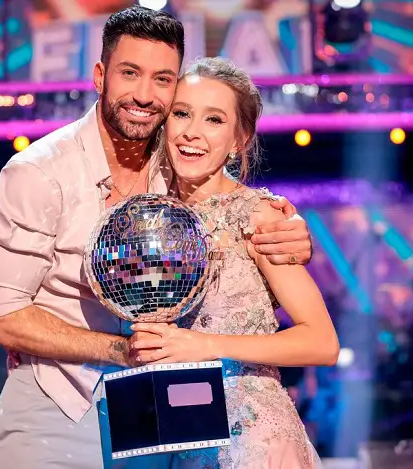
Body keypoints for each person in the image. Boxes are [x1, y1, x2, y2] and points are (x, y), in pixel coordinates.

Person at [0, 6, 314, 469]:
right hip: (57, 406)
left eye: (162, 79)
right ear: (100, 75)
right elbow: (3, 317)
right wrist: (122, 350)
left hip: (161, 417)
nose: (144, 94)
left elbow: (234, 224)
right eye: (129, 73)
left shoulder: (176, 163)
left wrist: (293, 234)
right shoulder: (39, 173)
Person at [130, 57, 340, 469]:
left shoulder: (258, 216)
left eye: (214, 120)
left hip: (252, 442)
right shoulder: (144, 218)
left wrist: (206, 346)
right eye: (182, 113)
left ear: (239, 139)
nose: (192, 131)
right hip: (175, 434)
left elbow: (322, 342)